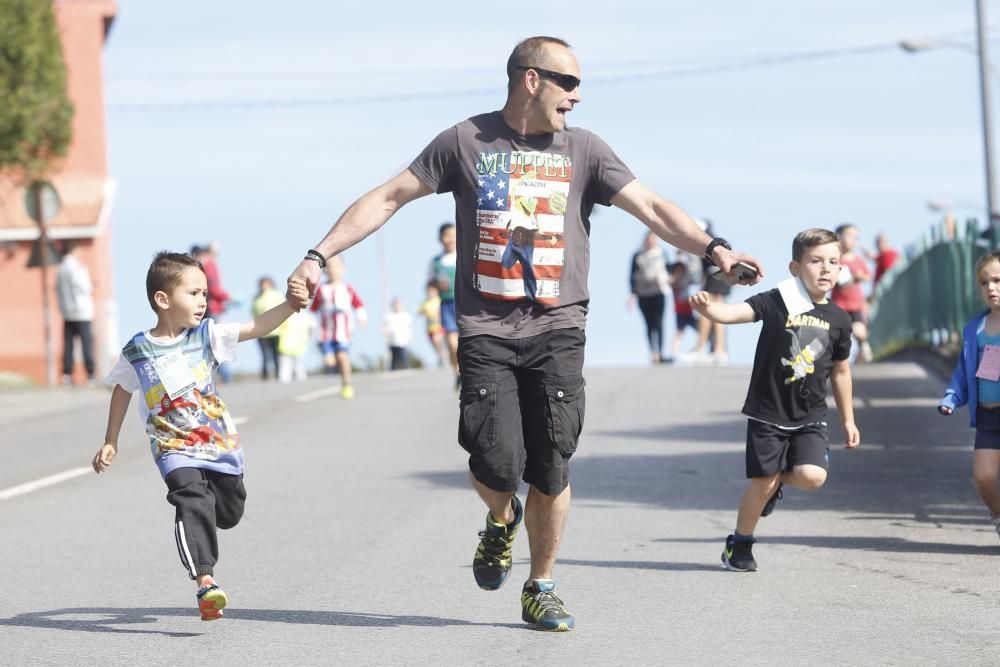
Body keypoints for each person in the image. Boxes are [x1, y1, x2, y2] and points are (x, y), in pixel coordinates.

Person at [286, 35, 762, 631]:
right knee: (494, 468)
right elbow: (387, 198)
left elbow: (652, 207)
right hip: (485, 330)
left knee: (553, 466)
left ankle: (541, 584)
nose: (578, 97)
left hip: (559, 328)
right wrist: (317, 253)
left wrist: (715, 249)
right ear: (531, 79)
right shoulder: (464, 141)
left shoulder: (585, 149)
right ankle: (501, 518)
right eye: (569, 83)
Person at [92, 251, 307, 620]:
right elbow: (122, 389)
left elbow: (256, 327)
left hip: (218, 444)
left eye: (205, 293)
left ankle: (211, 524)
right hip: (172, 446)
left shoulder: (207, 335)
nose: (203, 301)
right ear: (163, 299)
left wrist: (289, 305)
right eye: (193, 293)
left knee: (228, 512)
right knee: (191, 499)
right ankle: (206, 583)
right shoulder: (138, 349)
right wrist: (110, 438)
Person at [689, 228, 859, 572]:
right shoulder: (778, 300)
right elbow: (736, 314)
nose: (825, 269)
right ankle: (740, 544)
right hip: (768, 413)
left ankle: (779, 482)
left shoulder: (840, 319)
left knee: (813, 476)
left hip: (810, 415)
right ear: (795, 267)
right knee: (761, 484)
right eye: (815, 261)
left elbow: (841, 372)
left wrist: (848, 419)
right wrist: (710, 310)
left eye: (833, 262)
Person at [938, 250, 1000, 543]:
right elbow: (964, 372)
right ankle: (999, 516)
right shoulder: (975, 328)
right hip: (988, 416)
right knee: (984, 478)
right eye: (984, 282)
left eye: (998, 280)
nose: (991, 288)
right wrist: (951, 397)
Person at [310, 255, 366, 399]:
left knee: (343, 357)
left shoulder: (348, 289)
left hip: (343, 332)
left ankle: (346, 383)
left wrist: (362, 318)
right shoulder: (321, 289)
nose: (333, 270)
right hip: (325, 332)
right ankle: (331, 362)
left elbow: (359, 305)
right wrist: (310, 327)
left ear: (343, 269)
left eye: (336, 266)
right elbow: (313, 310)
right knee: (330, 361)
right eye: (329, 267)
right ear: (324, 270)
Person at [55, 240, 96, 385]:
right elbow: (84, 287)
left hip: (67, 312)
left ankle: (67, 374)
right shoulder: (77, 267)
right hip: (82, 311)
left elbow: (58, 290)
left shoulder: (60, 268)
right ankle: (91, 374)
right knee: (86, 344)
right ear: (73, 250)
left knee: (68, 345)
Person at [831, 224, 873, 362]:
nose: (854, 240)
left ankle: (863, 349)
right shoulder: (834, 259)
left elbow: (868, 276)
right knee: (839, 332)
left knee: (860, 330)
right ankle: (840, 358)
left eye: (856, 237)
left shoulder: (857, 259)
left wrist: (860, 277)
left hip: (856, 304)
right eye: (850, 235)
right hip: (839, 303)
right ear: (839, 237)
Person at [692, 220, 731, 366]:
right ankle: (719, 350)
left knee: (707, 309)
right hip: (723, 277)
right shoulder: (719, 242)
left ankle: (702, 348)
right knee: (718, 311)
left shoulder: (707, 243)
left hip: (714, 277)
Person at [194, 243, 234, 382]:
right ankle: (225, 376)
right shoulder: (209, 265)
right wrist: (228, 297)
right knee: (214, 342)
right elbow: (214, 288)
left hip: (210, 308)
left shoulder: (200, 267)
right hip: (212, 309)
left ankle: (221, 376)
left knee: (209, 342)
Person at [628, 231, 670, 364]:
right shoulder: (638, 255)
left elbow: (669, 270)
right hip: (643, 294)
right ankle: (653, 352)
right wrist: (632, 294)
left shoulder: (662, 253)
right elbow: (632, 276)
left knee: (659, 323)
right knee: (649, 324)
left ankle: (660, 353)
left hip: (659, 292)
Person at [429, 222, 460, 387]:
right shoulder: (436, 262)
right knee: (451, 343)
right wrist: (434, 289)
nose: (450, 239)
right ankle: (457, 371)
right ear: (440, 238)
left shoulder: (464, 255)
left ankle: (468, 371)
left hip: (466, 303)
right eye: (446, 235)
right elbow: (430, 285)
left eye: (453, 235)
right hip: (447, 304)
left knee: (466, 342)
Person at [252, 277, 284, 380]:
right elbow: (254, 312)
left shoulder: (276, 295)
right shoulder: (257, 298)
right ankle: (265, 376)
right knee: (265, 355)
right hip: (262, 331)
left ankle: (279, 374)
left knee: (276, 355)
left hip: (276, 331)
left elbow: (283, 310)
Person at [666, 261, 698, 363]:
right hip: (680, 312)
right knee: (679, 333)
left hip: (689, 311)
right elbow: (669, 282)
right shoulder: (674, 283)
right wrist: (676, 275)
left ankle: (697, 350)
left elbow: (694, 278)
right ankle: (673, 354)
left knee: (701, 331)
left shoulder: (686, 279)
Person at [278, 308, 314, 383]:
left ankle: (283, 389)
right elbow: (311, 329)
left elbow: (279, 327)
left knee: (285, 370)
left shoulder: (286, 315)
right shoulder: (307, 316)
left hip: (286, 344)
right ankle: (302, 387)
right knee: (299, 368)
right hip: (300, 345)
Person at [417, 283, 447, 367]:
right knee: (434, 344)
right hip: (429, 328)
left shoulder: (439, 300)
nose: (430, 293)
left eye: (432, 291)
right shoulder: (425, 302)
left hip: (439, 325)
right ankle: (441, 355)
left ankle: (443, 355)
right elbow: (419, 312)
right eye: (428, 291)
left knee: (437, 340)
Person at [382, 297, 413, 370]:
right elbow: (384, 327)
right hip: (392, 341)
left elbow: (410, 327)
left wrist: (409, 338)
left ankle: (407, 368)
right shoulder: (388, 316)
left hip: (403, 340)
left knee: (403, 355)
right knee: (394, 358)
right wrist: (385, 333)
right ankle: (392, 370)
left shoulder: (406, 316)